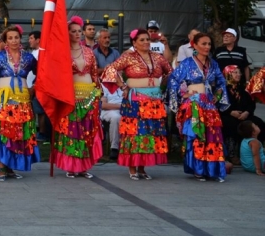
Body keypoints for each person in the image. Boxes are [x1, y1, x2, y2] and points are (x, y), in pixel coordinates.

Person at [101, 29, 172, 180]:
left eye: (147, 39)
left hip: (154, 102)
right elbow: (111, 69)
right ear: (134, 43)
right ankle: (132, 167)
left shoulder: (157, 58)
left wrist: (162, 87)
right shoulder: (128, 57)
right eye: (142, 40)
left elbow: (170, 71)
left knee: (149, 133)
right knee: (135, 133)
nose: (146, 42)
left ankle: (142, 167)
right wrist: (123, 86)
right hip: (135, 101)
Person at [167, 32, 229, 182]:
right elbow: (173, 80)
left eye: (209, 44)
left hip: (209, 104)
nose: (207, 47)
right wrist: (183, 95)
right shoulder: (187, 63)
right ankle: (198, 169)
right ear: (194, 45)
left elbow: (221, 82)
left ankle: (212, 170)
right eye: (203, 44)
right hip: (193, 103)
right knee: (197, 136)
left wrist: (218, 95)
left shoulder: (213, 64)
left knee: (212, 136)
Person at [0, 25, 40, 181]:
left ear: (20, 39)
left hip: (22, 98)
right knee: (4, 130)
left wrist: (34, 87)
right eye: (10, 38)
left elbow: (42, 72)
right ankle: (2, 168)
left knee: (19, 132)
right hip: (4, 98)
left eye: (16, 37)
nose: (14, 40)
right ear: (5, 41)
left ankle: (11, 167)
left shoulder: (29, 58)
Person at [54, 16, 102, 178]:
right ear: (66, 33)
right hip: (71, 96)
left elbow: (94, 74)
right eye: (73, 31)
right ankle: (71, 165)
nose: (77, 34)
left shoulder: (88, 52)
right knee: (72, 131)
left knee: (87, 131)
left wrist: (97, 93)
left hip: (89, 96)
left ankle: (83, 166)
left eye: (79, 31)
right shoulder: (62, 52)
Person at [220, 65, 265, 159]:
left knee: (259, 123)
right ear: (228, 74)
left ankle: (257, 152)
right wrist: (230, 112)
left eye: (239, 72)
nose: (239, 75)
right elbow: (218, 105)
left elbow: (251, 104)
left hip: (244, 115)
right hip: (228, 115)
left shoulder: (244, 89)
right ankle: (232, 155)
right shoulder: (222, 90)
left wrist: (247, 112)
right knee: (230, 124)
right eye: (235, 72)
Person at [26, 31, 49, 143]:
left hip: (38, 86)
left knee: (40, 111)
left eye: (31, 38)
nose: (29, 40)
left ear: (38, 39)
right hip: (29, 86)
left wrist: (35, 86)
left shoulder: (42, 53)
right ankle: (33, 131)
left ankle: (43, 133)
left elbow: (42, 72)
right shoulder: (33, 53)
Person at [100, 84, 123, 160]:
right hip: (109, 111)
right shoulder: (104, 86)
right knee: (116, 117)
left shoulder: (125, 86)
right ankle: (114, 148)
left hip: (124, 110)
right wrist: (121, 106)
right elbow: (103, 105)